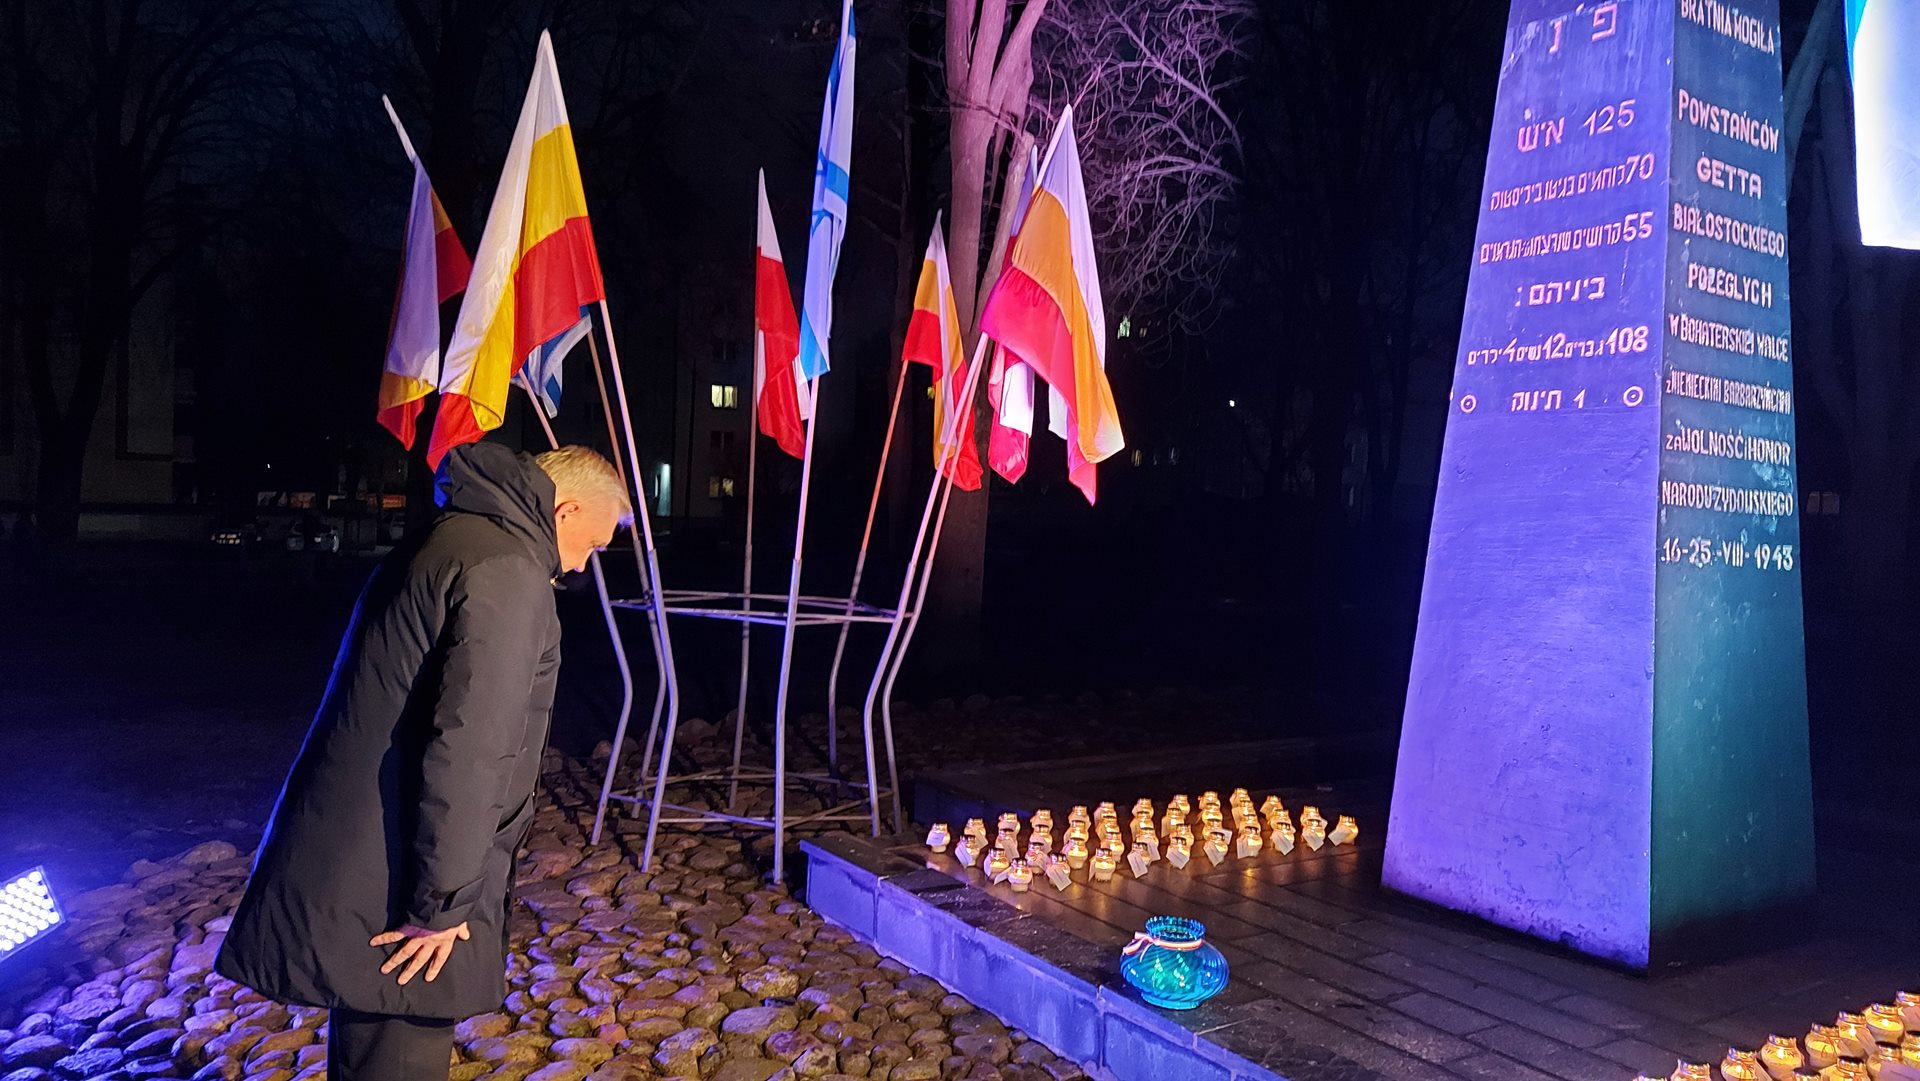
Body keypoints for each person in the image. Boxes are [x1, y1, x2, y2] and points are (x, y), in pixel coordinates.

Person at [217, 442, 631, 1081]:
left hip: (366, 845)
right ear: (566, 510)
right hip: (403, 871)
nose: (581, 566)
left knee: (369, 1044)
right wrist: (442, 903)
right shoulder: (509, 572)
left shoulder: (446, 540)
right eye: (593, 546)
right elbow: (473, 747)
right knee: (399, 1041)